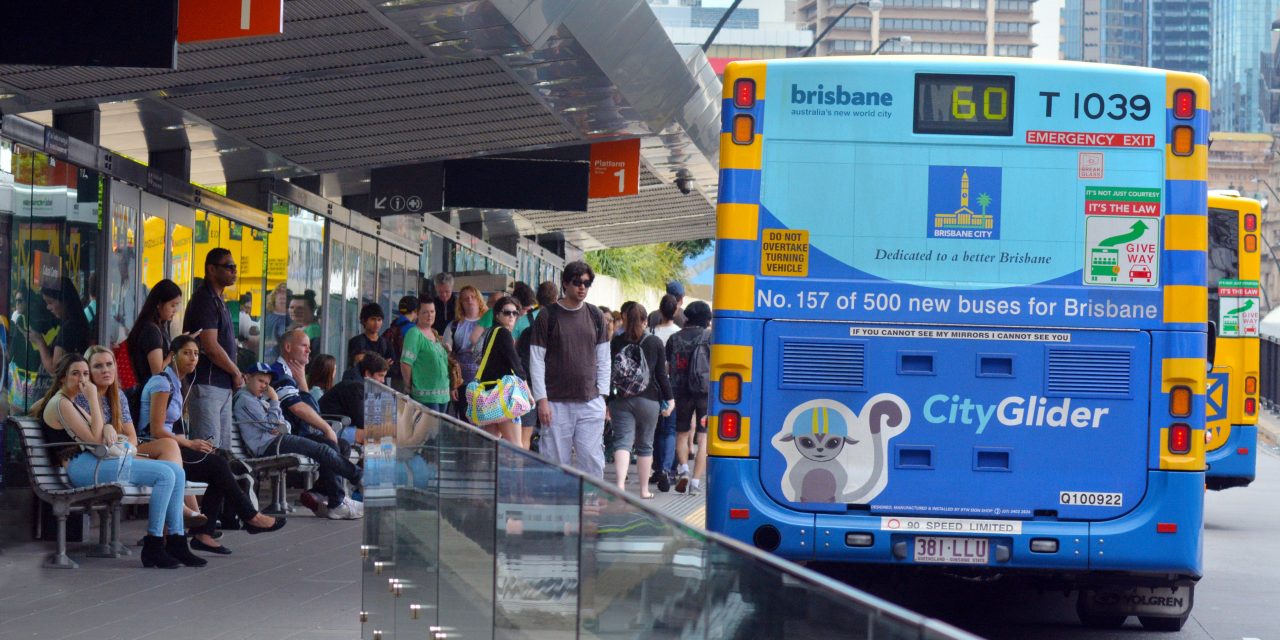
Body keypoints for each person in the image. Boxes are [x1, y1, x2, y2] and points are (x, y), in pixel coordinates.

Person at [33, 353, 200, 569]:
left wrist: (109, 426)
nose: (82, 379)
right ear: (63, 378)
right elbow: (95, 440)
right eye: (75, 374)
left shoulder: (72, 402)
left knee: (176, 472)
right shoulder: (61, 403)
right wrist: (93, 398)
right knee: (165, 474)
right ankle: (154, 545)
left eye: (85, 374)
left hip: (93, 463)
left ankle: (177, 541)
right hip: (82, 468)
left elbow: (100, 431)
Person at [140, 335, 286, 552]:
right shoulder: (163, 382)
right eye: (187, 353)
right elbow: (157, 429)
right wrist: (190, 444)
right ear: (173, 356)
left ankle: (205, 533)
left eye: (196, 354)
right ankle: (248, 517)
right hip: (154, 451)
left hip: (171, 449)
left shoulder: (178, 383)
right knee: (217, 466)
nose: (193, 358)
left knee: (218, 464)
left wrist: (192, 444)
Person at [85, 345, 204, 527]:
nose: (105, 370)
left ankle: (177, 518)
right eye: (98, 366)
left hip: (123, 452)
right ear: (88, 371)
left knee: (169, 445)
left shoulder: (118, 395)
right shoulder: (84, 396)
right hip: (101, 458)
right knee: (168, 471)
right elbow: (93, 438)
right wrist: (109, 428)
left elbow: (131, 436)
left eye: (109, 364)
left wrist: (126, 446)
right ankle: (175, 522)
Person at [235, 363, 364, 520]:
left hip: (278, 439)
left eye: (267, 383)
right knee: (322, 450)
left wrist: (279, 424)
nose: (264, 386)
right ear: (247, 378)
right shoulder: (245, 400)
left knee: (334, 445)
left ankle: (329, 496)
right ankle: (358, 478)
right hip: (269, 445)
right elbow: (271, 424)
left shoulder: (259, 400)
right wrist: (275, 400)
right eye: (260, 381)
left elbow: (283, 424)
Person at [529, 262, 610, 478]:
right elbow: (536, 360)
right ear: (565, 283)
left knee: (592, 459)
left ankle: (592, 502)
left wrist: (602, 397)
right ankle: (557, 504)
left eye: (587, 283)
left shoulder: (595, 315)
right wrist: (542, 400)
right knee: (555, 462)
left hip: (590, 400)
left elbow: (604, 358)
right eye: (577, 282)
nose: (582, 287)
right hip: (555, 403)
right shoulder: (547, 315)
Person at [272, 328, 363, 519]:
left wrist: (302, 382)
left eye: (309, 347)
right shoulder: (278, 372)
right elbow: (297, 408)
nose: (309, 351)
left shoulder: (293, 374)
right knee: (329, 444)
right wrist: (326, 428)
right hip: (281, 436)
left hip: (297, 434)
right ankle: (340, 498)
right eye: (303, 345)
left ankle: (320, 493)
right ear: (288, 347)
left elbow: (312, 407)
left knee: (341, 445)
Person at [608, 303, 673, 499]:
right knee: (645, 445)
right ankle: (644, 490)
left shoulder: (616, 341)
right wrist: (670, 399)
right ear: (645, 321)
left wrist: (606, 400)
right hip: (649, 398)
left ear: (625, 319)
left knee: (622, 442)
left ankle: (620, 486)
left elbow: (609, 371)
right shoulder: (655, 342)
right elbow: (661, 375)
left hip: (621, 398)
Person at [183, 248, 241, 450]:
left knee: (222, 450)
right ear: (211, 269)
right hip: (206, 383)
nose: (234, 271)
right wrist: (235, 372)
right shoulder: (204, 300)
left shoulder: (218, 299)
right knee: (208, 448)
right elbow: (211, 346)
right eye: (229, 267)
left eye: (235, 267)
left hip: (220, 384)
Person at [468, 295, 527, 445]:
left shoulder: (489, 332)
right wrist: (527, 392)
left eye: (515, 313)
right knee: (516, 448)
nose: (512, 316)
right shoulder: (504, 333)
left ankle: (488, 469)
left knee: (490, 449)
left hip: (488, 396)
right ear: (497, 314)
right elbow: (516, 365)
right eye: (507, 313)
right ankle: (511, 469)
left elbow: (479, 358)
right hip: (504, 395)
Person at [668, 301, 712, 494]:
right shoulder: (710, 337)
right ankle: (695, 483)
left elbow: (668, 367)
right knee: (703, 438)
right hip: (704, 392)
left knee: (682, 434)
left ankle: (684, 470)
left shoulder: (674, 338)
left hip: (680, 393)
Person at [515, 281, 560, 450]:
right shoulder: (560, 322)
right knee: (553, 432)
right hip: (552, 385)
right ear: (556, 299)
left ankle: (520, 471)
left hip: (529, 384)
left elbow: (514, 352)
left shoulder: (522, 324)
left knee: (524, 432)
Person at [127, 279, 183, 393]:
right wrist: (172, 355)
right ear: (159, 304)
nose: (175, 310)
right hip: (150, 395)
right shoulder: (151, 331)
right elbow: (157, 372)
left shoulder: (154, 326)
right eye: (172, 305)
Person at [28, 277, 92, 376]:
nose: (48, 307)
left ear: (64, 300)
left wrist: (39, 342)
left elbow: (55, 369)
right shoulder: (79, 323)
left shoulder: (69, 329)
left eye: (50, 302)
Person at [319, 352, 389, 443]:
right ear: (367, 373)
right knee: (372, 434)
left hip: (337, 425)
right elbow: (362, 421)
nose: (383, 381)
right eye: (380, 375)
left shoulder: (357, 382)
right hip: (326, 429)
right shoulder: (355, 387)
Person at [650, 293, 681, 488]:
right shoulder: (678, 333)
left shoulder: (650, 332)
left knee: (654, 429)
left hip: (652, 387)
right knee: (669, 429)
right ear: (676, 310)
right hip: (671, 386)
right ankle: (667, 469)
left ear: (660, 311)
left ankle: (656, 468)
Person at [401, 295, 451, 412]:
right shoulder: (414, 334)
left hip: (443, 394)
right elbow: (405, 362)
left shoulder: (434, 333)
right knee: (429, 430)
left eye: (432, 312)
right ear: (417, 313)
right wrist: (409, 386)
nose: (429, 315)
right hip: (425, 395)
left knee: (439, 430)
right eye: (425, 312)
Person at [443, 285, 487, 414]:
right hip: (461, 380)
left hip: (483, 380)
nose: (470, 300)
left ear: (479, 299)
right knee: (463, 418)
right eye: (465, 298)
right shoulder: (454, 325)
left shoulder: (488, 323)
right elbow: (447, 356)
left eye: (473, 297)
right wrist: (453, 384)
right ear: (461, 303)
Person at [382, 294, 418, 392]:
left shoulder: (394, 325)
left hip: (396, 373)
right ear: (416, 311)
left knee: (398, 403)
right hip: (410, 374)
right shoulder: (413, 330)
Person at [347, 302, 395, 370]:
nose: (376, 323)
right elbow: (357, 362)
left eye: (379, 320)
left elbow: (393, 367)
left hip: (380, 380)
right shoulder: (356, 342)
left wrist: (367, 361)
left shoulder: (386, 344)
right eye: (373, 319)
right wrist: (383, 364)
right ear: (364, 321)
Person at [264, 283, 291, 360]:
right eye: (280, 292)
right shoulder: (267, 315)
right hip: (267, 356)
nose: (282, 296)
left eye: (285, 294)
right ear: (274, 296)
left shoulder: (291, 318)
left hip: (284, 358)